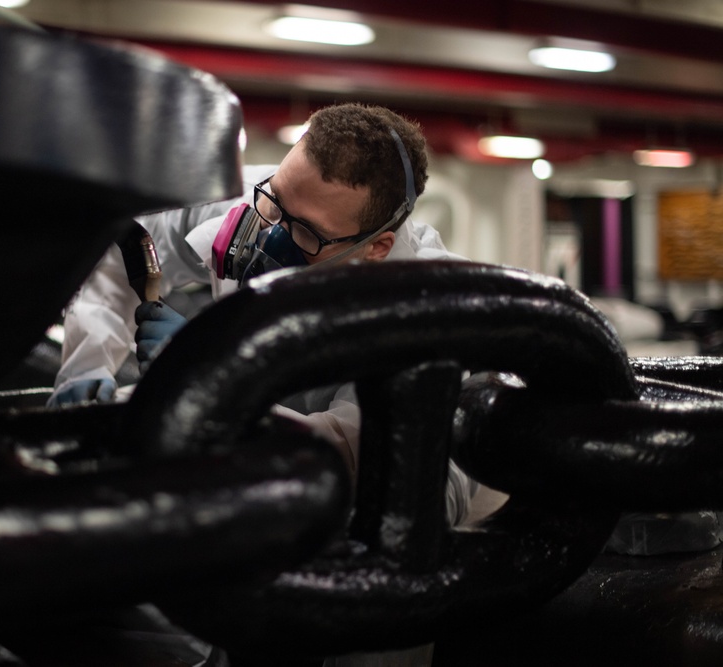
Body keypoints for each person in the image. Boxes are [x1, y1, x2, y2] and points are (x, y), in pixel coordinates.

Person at [49, 102, 478, 526]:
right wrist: (87, 366)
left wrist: (212, 377)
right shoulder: (260, 196)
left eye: (307, 233)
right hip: (240, 439)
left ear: (375, 247)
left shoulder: (420, 305)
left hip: (386, 489)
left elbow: (348, 451)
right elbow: (126, 253)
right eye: (276, 203)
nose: (272, 236)